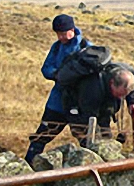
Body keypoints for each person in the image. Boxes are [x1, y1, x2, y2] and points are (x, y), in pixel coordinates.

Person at [25, 14, 89, 164]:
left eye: (62, 33)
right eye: (57, 34)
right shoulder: (56, 47)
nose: (60, 37)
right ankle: (26, 167)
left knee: (86, 140)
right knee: (41, 137)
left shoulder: (86, 48)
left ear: (72, 30)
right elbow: (45, 68)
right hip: (57, 103)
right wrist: (57, 74)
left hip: (78, 104)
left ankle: (94, 170)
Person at [64, 63, 134, 142]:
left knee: (106, 140)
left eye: (123, 95)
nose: (120, 98)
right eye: (118, 94)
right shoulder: (92, 89)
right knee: (92, 143)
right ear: (112, 83)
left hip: (104, 108)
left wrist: (132, 102)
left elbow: (133, 84)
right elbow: (88, 117)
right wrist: (97, 142)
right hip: (79, 110)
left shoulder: (129, 74)